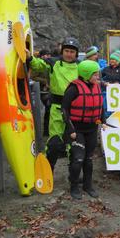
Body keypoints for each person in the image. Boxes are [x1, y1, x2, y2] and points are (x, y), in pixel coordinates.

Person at [27, 37, 79, 171]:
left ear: (76, 54)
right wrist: (29, 58)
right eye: (66, 51)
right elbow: (38, 65)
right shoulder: (53, 62)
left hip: (75, 109)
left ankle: (74, 174)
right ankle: (48, 171)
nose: (69, 54)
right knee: (54, 143)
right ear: (62, 51)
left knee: (74, 144)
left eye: (72, 52)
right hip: (57, 107)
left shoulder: (80, 66)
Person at [62, 60, 106, 199]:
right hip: (77, 130)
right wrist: (70, 130)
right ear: (86, 74)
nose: (97, 77)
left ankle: (88, 185)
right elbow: (64, 110)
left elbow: (100, 106)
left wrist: (103, 121)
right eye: (95, 74)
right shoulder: (74, 89)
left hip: (92, 129)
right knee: (78, 159)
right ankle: (74, 186)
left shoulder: (96, 87)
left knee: (88, 159)